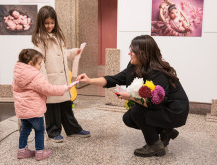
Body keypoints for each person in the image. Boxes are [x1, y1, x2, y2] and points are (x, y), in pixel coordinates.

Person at [77, 35, 189, 157]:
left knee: (137, 111)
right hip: (161, 108)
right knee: (129, 118)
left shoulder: (157, 73)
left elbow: (154, 103)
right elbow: (114, 79)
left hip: (174, 111)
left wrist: (130, 97)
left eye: (133, 51)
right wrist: (89, 81)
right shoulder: (135, 66)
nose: (129, 53)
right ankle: (165, 131)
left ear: (143, 54)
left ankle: (155, 146)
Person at [32, 5, 90, 143]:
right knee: (52, 108)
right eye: (46, 23)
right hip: (51, 79)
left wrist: (73, 52)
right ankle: (53, 132)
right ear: (41, 22)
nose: (49, 26)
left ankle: (73, 129)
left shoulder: (57, 36)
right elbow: (39, 62)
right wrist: (44, 81)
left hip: (62, 78)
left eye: (52, 23)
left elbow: (62, 55)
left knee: (66, 106)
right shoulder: (40, 40)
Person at [12, 49, 73, 161]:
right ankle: (40, 152)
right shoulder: (36, 76)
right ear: (31, 64)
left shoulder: (17, 75)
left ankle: (21, 151)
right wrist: (64, 88)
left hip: (22, 111)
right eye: (39, 63)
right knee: (39, 131)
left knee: (25, 129)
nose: (41, 66)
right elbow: (48, 89)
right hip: (35, 111)